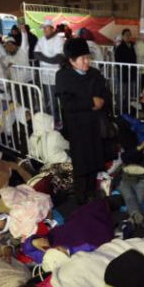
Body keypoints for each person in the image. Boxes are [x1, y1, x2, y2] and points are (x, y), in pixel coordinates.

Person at [55, 37, 111, 204]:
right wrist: (91, 102)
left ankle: (92, 193)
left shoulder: (94, 74)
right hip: (77, 127)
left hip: (94, 125)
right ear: (72, 61)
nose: (87, 61)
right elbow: (67, 104)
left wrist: (102, 101)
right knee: (81, 164)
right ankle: (80, 198)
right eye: (83, 58)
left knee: (94, 161)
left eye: (88, 57)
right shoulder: (63, 76)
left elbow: (106, 94)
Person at [34, 20, 66, 121]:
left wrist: (43, 58)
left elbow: (58, 58)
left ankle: (56, 120)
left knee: (54, 99)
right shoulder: (41, 39)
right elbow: (36, 54)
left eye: (46, 28)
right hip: (44, 74)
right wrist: (49, 59)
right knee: (47, 98)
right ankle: (51, 119)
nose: (44, 30)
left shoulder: (59, 39)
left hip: (55, 74)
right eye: (43, 28)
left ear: (52, 29)